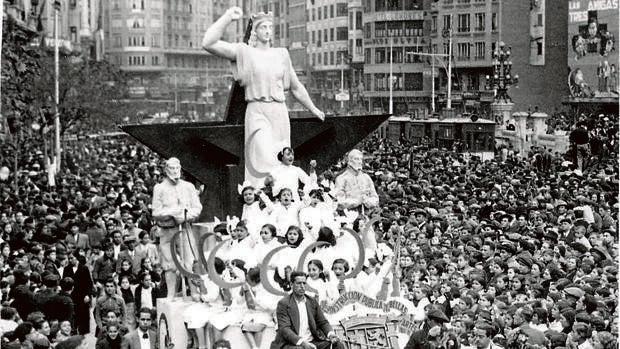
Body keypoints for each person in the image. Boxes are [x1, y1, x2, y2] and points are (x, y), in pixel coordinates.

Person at [202, 7, 325, 188]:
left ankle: (282, 199)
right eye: (262, 27)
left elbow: (296, 86)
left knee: (280, 157)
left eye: (269, 27)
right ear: (255, 31)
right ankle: (260, 198)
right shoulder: (245, 52)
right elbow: (208, 43)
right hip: (257, 111)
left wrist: (313, 109)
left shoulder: (281, 54)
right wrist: (227, 18)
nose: (267, 31)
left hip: (279, 111)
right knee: (262, 157)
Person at [152, 157, 202, 298]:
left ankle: (194, 292)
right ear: (166, 170)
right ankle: (171, 293)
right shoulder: (159, 188)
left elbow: (197, 208)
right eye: (171, 168)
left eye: (177, 168)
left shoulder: (188, 187)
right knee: (169, 264)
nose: (174, 171)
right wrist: (171, 213)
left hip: (184, 228)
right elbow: (156, 212)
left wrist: (186, 216)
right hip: (166, 229)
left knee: (189, 262)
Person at [270, 271, 344, 349]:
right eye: (298, 283)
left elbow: (322, 322)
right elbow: (285, 329)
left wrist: (331, 334)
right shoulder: (283, 303)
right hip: (292, 343)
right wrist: (302, 342)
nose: (302, 286)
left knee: (338, 345)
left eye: (304, 283)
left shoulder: (312, 301)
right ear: (291, 284)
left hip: (312, 342)